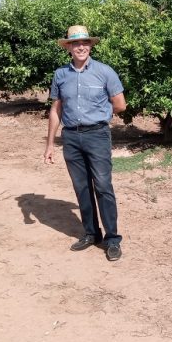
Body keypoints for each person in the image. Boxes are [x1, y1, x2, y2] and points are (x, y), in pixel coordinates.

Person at [43, 25, 127, 261]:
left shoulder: (105, 72)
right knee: (81, 187)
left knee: (103, 186)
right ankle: (91, 233)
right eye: (76, 43)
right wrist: (50, 144)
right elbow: (56, 110)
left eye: (85, 43)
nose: (81, 47)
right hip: (71, 138)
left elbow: (120, 105)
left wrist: (98, 114)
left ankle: (112, 239)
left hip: (97, 135)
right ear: (68, 47)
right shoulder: (61, 75)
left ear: (90, 46)